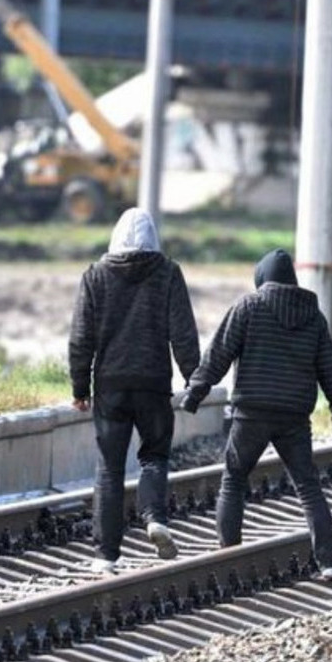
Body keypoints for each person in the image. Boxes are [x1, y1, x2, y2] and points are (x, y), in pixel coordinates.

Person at [181, 248, 332, 581]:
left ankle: (229, 555)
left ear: (262, 279)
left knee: (233, 480)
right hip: (294, 416)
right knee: (308, 486)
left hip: (252, 413)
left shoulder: (249, 306)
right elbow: (331, 371)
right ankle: (329, 561)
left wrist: (194, 394)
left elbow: (219, 354)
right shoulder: (314, 317)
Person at [69, 207, 200, 574]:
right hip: (154, 384)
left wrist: (80, 386)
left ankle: (106, 555)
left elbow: (81, 338)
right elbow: (183, 332)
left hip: (110, 386)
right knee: (154, 456)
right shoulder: (168, 273)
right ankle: (155, 518)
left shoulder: (95, 276)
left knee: (109, 468)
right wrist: (194, 380)